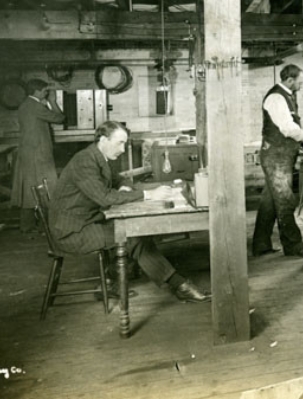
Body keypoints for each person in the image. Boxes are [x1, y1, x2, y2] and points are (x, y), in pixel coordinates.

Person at [49, 120, 210, 303]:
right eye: (120, 143)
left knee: (135, 231)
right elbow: (104, 197)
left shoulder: (97, 157)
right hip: (72, 232)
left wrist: (125, 187)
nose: (124, 149)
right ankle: (180, 286)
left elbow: (119, 180)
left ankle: (109, 281)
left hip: (86, 221)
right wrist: (148, 195)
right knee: (133, 236)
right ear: (103, 140)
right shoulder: (85, 162)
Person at [252, 64, 303, 258]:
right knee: (285, 201)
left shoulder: (288, 95)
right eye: (300, 82)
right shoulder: (276, 97)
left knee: (270, 202)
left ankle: (261, 245)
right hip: (276, 157)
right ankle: (294, 246)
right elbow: (288, 129)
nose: (302, 85)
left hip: (281, 155)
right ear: (289, 80)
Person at [11, 79, 65, 233]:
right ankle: (46, 226)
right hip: (38, 154)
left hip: (31, 153)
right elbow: (60, 118)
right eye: (45, 91)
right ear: (37, 91)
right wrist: (53, 102)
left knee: (30, 190)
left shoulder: (26, 105)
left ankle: (29, 226)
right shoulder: (35, 106)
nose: (47, 93)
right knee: (46, 189)